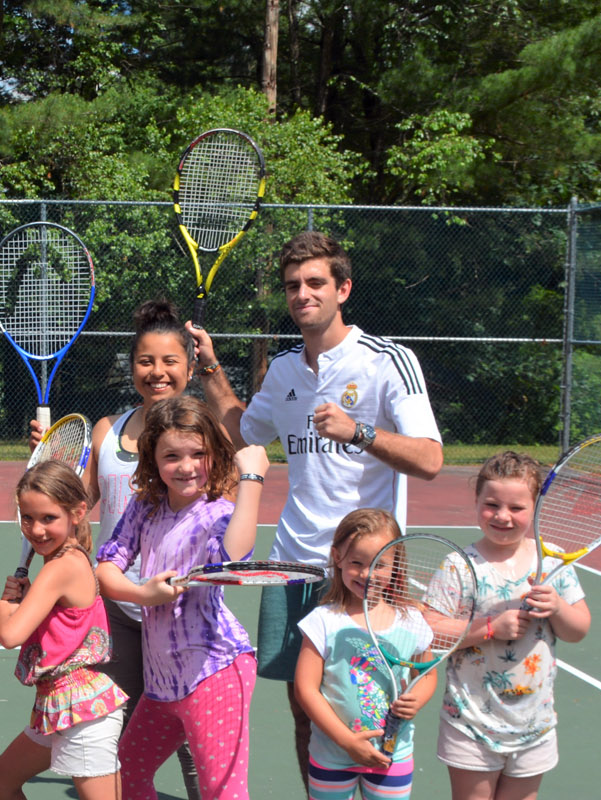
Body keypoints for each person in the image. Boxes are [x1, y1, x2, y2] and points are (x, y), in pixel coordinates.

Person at [198, 231, 445, 783]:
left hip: (370, 569)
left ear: (343, 288)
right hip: (295, 566)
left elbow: (430, 459)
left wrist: (358, 431)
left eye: (315, 282)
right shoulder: (284, 370)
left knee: (377, 705)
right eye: (293, 285)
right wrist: (212, 371)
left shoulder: (388, 361)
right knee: (306, 712)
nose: (302, 294)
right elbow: (245, 431)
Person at [26, 297, 222, 798]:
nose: (157, 372)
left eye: (170, 361)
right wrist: (47, 464)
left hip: (179, 610)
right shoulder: (108, 430)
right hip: (112, 609)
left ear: (190, 366)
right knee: (116, 732)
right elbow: (79, 504)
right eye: (145, 361)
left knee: (189, 736)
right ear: (132, 366)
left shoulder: (202, 439)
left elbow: (226, 512)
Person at [94, 396, 272, 800]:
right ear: (153, 459)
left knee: (221, 792)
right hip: (162, 685)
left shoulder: (217, 515)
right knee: (128, 774)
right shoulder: (145, 506)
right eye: (172, 455)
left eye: (198, 453)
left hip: (214, 672)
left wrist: (252, 480)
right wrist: (143, 593)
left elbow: (233, 557)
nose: (187, 466)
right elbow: (106, 567)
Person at [439, 452, 591, 800]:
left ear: (536, 508)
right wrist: (489, 627)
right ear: (476, 501)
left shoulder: (551, 561)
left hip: (533, 725)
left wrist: (557, 607)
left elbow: (578, 629)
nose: (503, 516)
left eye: (517, 508)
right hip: (470, 723)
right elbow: (433, 634)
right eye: (491, 504)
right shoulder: (460, 566)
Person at [0, 460, 128, 800]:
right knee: (2, 780)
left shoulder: (60, 567)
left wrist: (5, 605)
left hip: (82, 709)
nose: (36, 530)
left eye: (49, 518)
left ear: (78, 513)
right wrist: (8, 608)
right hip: (57, 705)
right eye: (28, 518)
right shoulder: (65, 558)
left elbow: (9, 633)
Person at [293, 508, 433, 800]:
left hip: (392, 754)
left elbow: (427, 673)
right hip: (331, 755)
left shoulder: (411, 620)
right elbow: (305, 689)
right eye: (357, 563)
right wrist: (347, 741)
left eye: (380, 565)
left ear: (396, 564)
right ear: (337, 557)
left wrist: (416, 700)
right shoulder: (323, 620)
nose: (368, 574)